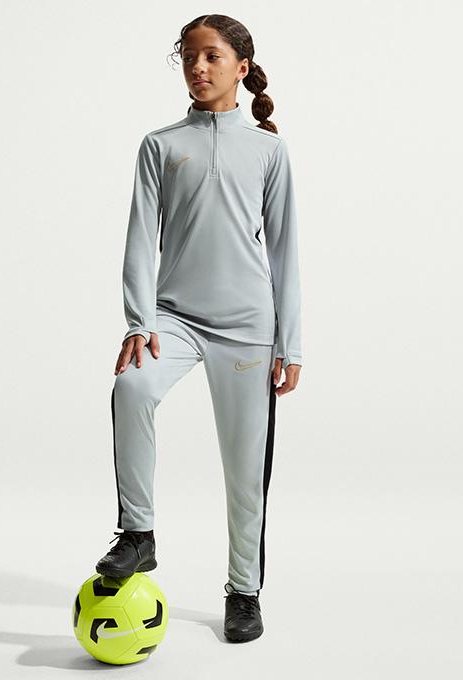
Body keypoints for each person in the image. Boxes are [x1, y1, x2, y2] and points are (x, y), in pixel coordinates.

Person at [95, 14, 302, 643]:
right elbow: (140, 239)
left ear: (241, 66)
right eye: (188, 56)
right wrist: (139, 321)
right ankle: (138, 533)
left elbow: (284, 251)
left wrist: (290, 342)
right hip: (175, 319)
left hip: (248, 328)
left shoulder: (268, 150)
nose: (198, 67)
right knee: (133, 387)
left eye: (211, 56)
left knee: (244, 472)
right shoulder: (160, 146)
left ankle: (244, 592)